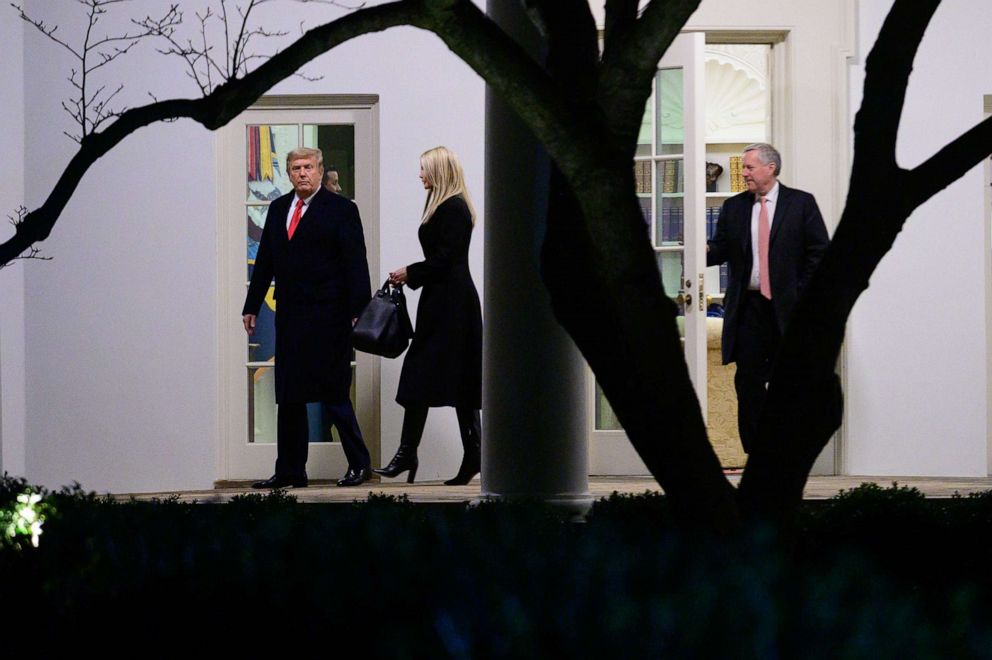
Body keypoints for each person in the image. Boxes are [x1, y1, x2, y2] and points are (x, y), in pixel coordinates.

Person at [243, 147, 373, 488]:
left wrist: (359, 311)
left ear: (319, 170)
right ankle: (290, 471)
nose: (303, 173)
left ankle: (360, 465)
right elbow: (265, 263)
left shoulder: (342, 210)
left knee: (334, 394)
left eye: (309, 167)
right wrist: (251, 305)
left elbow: (355, 264)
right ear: (289, 173)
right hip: (291, 318)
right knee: (289, 396)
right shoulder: (278, 208)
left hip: (330, 318)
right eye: (296, 168)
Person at [706, 143, 829, 453]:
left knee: (788, 381)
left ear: (770, 168)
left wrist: (799, 292)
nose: (743, 173)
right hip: (748, 309)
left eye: (748, 167)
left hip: (788, 309)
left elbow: (819, 253)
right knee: (747, 382)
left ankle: (787, 449)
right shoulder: (734, 208)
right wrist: (696, 248)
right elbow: (719, 250)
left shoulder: (801, 204)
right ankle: (757, 451)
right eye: (744, 167)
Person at [374, 146, 483, 485]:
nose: (419, 175)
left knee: (438, 378)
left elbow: (447, 259)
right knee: (450, 380)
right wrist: (416, 273)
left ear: (439, 171)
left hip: (452, 305)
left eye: (424, 169)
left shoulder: (452, 208)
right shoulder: (446, 205)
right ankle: (463, 456)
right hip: (445, 301)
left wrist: (411, 271)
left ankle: (412, 455)